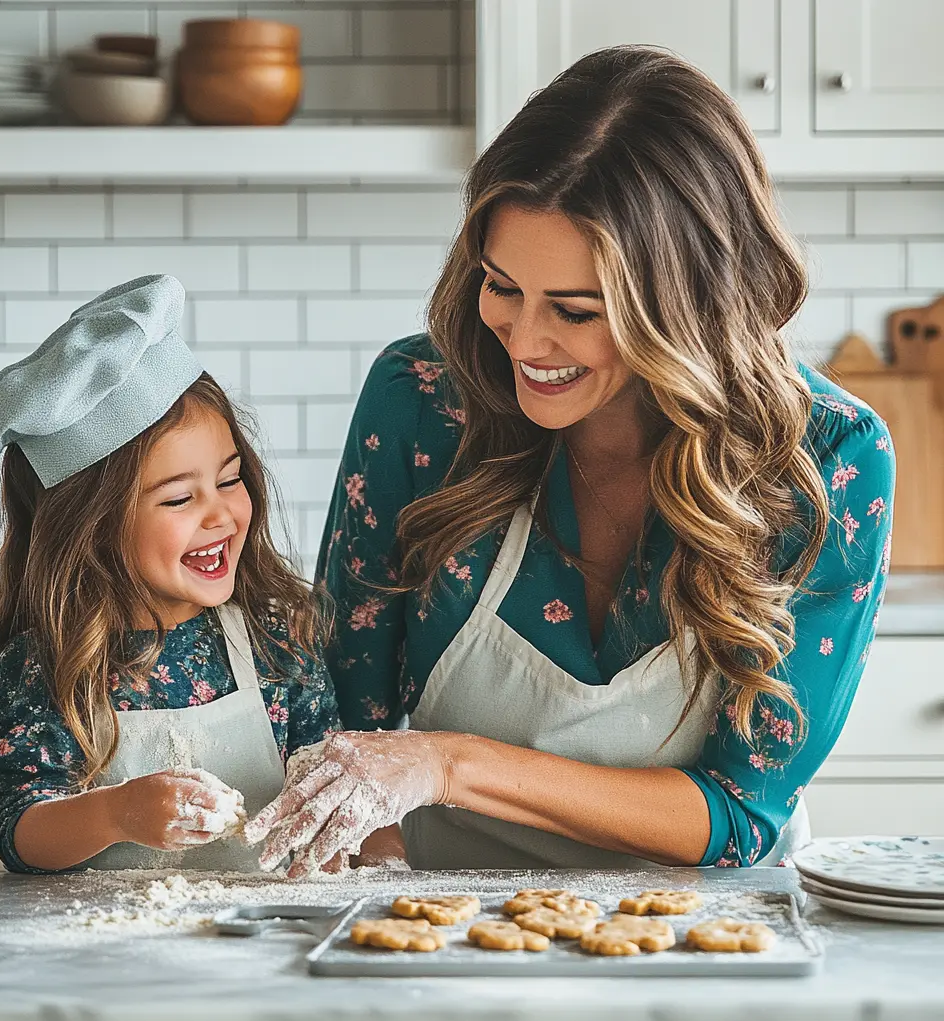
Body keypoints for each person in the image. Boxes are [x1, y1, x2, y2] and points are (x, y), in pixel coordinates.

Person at [248, 46, 896, 873]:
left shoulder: (826, 460)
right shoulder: (421, 401)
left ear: (690, 304)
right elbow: (339, 721)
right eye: (501, 286)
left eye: (576, 310)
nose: (523, 340)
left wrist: (451, 763)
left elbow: (740, 816)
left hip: (701, 938)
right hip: (442, 915)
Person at [0, 275, 342, 872]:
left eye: (230, 480)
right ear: (93, 528)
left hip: (261, 949)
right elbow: (21, 833)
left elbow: (327, 798)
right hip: (106, 957)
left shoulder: (275, 647)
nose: (221, 514)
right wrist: (117, 814)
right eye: (180, 500)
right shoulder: (47, 666)